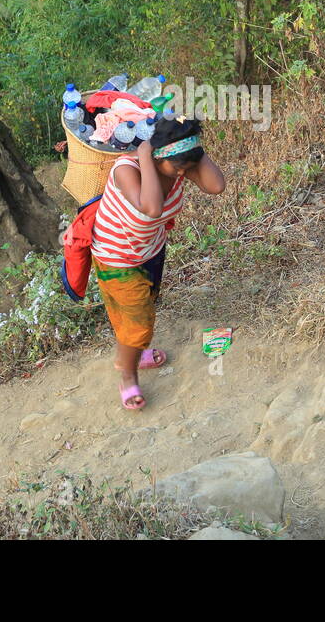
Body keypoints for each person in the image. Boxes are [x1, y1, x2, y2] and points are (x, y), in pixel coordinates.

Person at [90, 116, 225, 409]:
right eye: (178, 167)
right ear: (155, 156)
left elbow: (216, 186)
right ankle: (127, 374)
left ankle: (136, 350)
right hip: (116, 257)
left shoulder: (176, 166)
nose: (181, 174)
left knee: (145, 307)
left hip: (150, 251)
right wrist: (144, 154)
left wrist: (192, 146)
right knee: (137, 322)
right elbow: (151, 208)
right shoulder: (127, 169)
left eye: (186, 168)